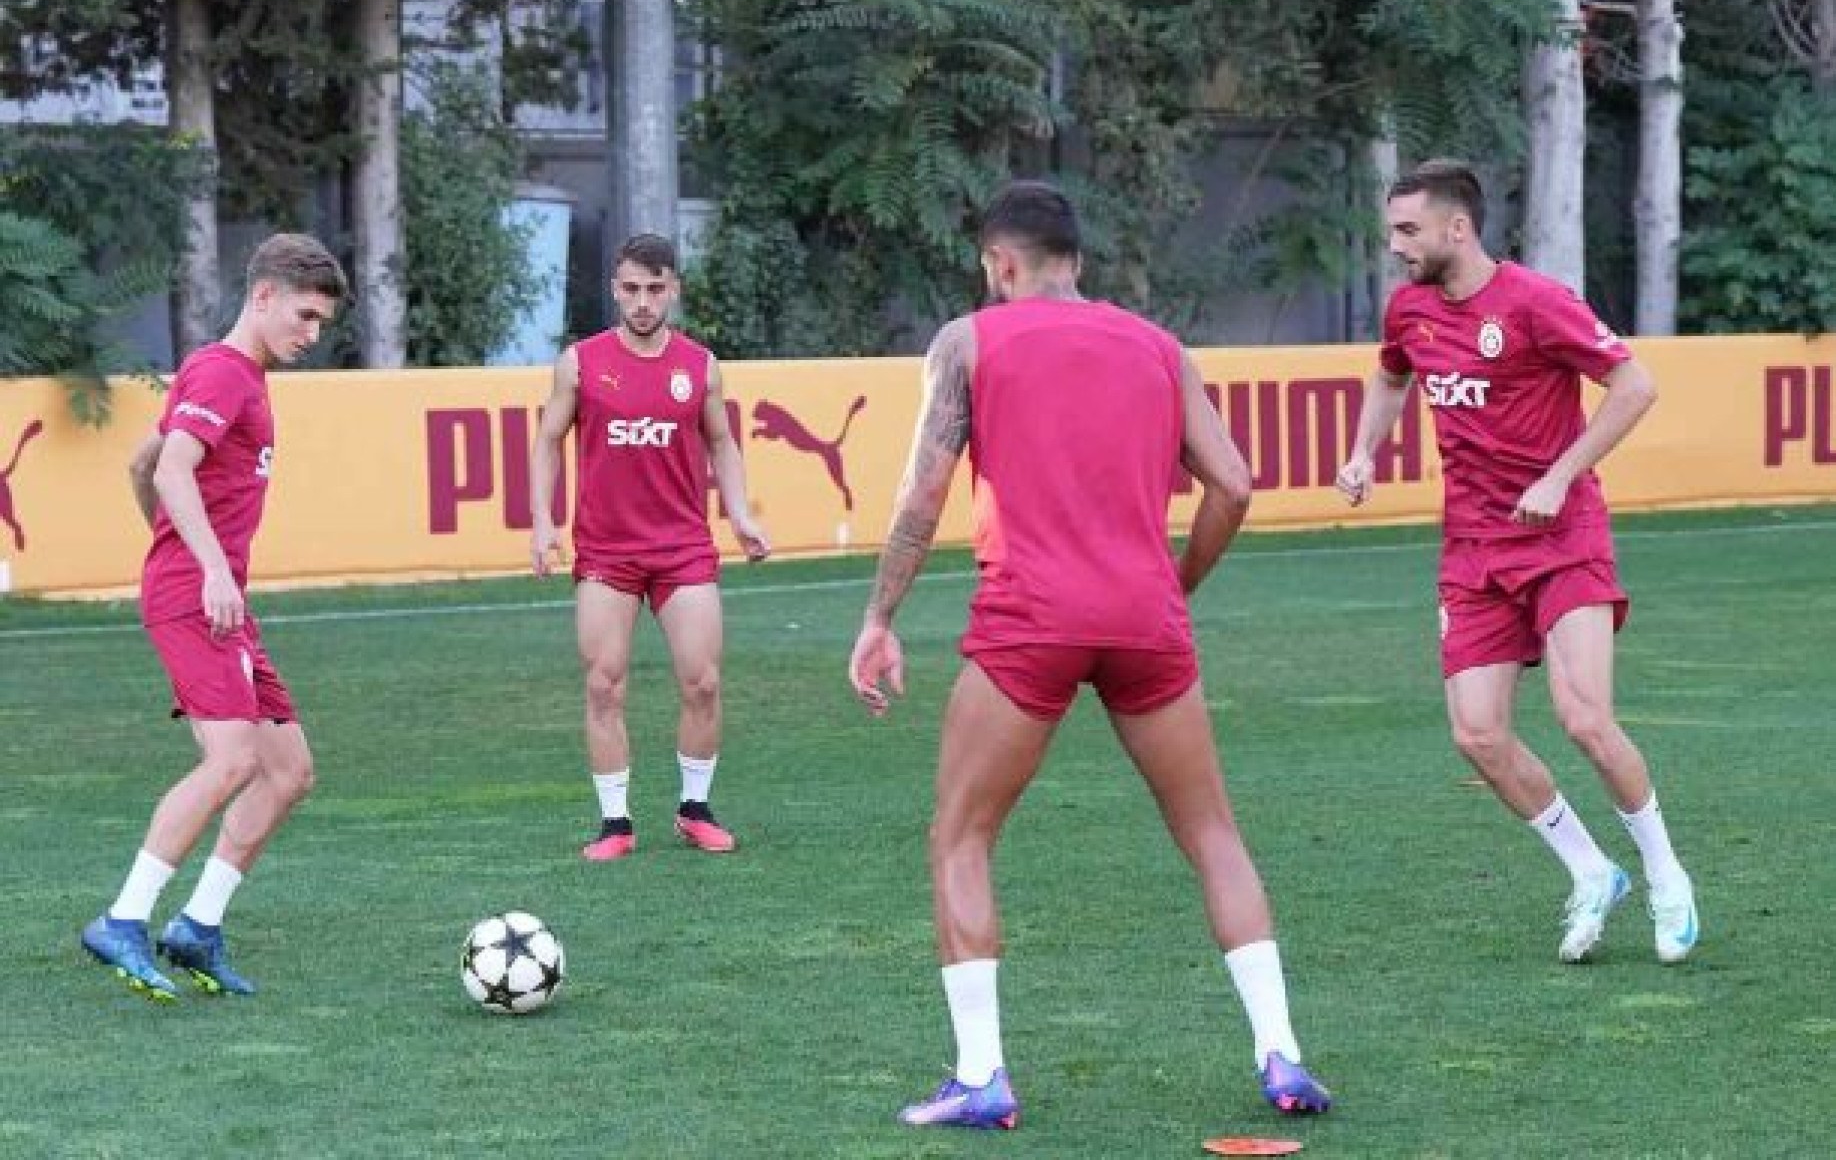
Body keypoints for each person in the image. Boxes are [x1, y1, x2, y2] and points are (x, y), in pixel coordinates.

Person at [848, 181, 1331, 1130]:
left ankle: (982, 1074)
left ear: (1001, 263)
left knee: (962, 834)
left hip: (1031, 618)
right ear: (1078, 259)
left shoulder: (969, 341)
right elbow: (1232, 483)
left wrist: (879, 617)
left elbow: (920, 498)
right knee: (1211, 832)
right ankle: (1282, 1051)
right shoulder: (1159, 347)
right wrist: (1175, 579)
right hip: (1146, 618)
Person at [1335, 158, 1698, 965]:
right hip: (1471, 548)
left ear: (1456, 228)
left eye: (1407, 230)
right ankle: (1590, 869)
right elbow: (1392, 376)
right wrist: (1363, 450)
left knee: (1585, 720)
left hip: (1562, 536)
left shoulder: (1535, 302)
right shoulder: (1411, 310)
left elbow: (1634, 385)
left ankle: (1667, 874)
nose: (1396, 245)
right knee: (1478, 733)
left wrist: (1559, 474)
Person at [82, 234, 348, 1001]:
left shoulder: (244, 380)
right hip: (201, 596)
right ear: (262, 296)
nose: (311, 333)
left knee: (289, 771)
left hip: (216, 598)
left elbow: (143, 460)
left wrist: (174, 547)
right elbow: (171, 468)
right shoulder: (221, 372)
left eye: (321, 323)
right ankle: (122, 920)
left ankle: (195, 927)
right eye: (303, 315)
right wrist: (197, 566)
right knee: (231, 761)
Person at [531, 233, 769, 861]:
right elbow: (548, 439)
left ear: (673, 290)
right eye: (631, 289)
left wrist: (739, 513)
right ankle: (615, 824)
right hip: (607, 554)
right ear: (614, 288)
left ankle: (695, 809)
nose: (642, 301)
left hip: (683, 547)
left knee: (704, 681)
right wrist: (541, 521)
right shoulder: (579, 362)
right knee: (604, 685)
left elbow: (722, 443)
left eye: (654, 289)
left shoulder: (701, 366)